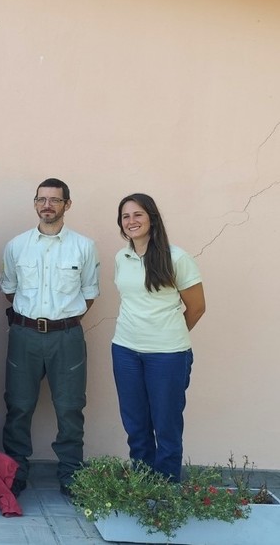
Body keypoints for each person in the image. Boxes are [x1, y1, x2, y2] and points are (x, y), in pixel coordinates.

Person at [0, 178, 99, 498]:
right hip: (24, 335)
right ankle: (15, 471)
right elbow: (9, 290)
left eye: (55, 200)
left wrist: (62, 321)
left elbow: (89, 295)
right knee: (18, 405)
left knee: (70, 407)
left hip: (66, 337)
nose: (48, 205)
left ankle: (71, 473)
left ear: (67, 204)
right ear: (34, 203)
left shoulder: (83, 246)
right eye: (42, 199)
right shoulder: (17, 245)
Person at [112, 193, 205, 482]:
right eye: (126, 216)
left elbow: (198, 307)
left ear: (152, 218)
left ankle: (165, 494)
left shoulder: (177, 258)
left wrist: (166, 336)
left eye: (138, 214)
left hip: (167, 355)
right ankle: (143, 487)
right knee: (136, 425)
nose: (131, 221)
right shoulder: (122, 256)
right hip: (125, 351)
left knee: (166, 427)